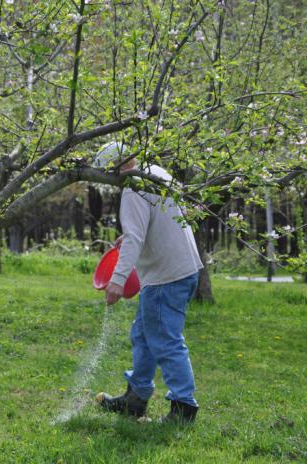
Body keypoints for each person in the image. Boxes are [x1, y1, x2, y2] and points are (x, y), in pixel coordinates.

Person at [92, 142, 204, 423]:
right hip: (180, 270)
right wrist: (131, 237)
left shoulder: (133, 188)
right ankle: (136, 399)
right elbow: (155, 222)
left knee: (166, 341)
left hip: (167, 277)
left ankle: (183, 408)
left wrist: (117, 280)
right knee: (143, 335)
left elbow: (134, 237)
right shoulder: (156, 174)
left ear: (115, 168)